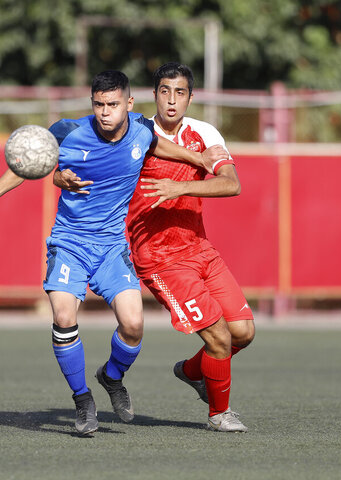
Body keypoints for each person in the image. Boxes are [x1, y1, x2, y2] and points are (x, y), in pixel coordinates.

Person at [0, 70, 228, 436]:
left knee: (134, 324)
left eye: (113, 105)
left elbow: (157, 145)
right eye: (99, 104)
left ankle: (111, 376)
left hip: (110, 249)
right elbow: (28, 161)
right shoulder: (68, 131)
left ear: (129, 104)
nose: (105, 112)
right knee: (62, 315)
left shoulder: (140, 129)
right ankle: (82, 399)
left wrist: (195, 159)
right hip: (70, 244)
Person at [54, 63, 255, 432]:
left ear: (191, 98)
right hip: (159, 258)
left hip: (200, 248)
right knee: (219, 337)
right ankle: (219, 414)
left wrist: (181, 188)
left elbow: (231, 184)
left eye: (180, 93)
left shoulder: (204, 133)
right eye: (165, 91)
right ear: (153, 95)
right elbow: (83, 163)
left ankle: (192, 371)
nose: (172, 100)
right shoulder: (135, 133)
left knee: (243, 333)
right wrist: (59, 177)